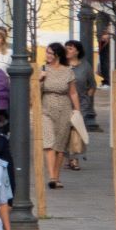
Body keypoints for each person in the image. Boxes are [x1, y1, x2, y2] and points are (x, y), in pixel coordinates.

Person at [39, 43, 79, 189]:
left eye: (50, 53)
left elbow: (73, 92)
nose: (47, 56)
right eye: (47, 53)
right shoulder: (43, 69)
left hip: (64, 108)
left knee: (60, 146)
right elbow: (35, 93)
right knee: (48, 143)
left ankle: (56, 177)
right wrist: (39, 79)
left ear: (57, 55)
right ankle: (51, 176)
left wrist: (77, 111)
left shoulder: (68, 71)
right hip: (47, 108)